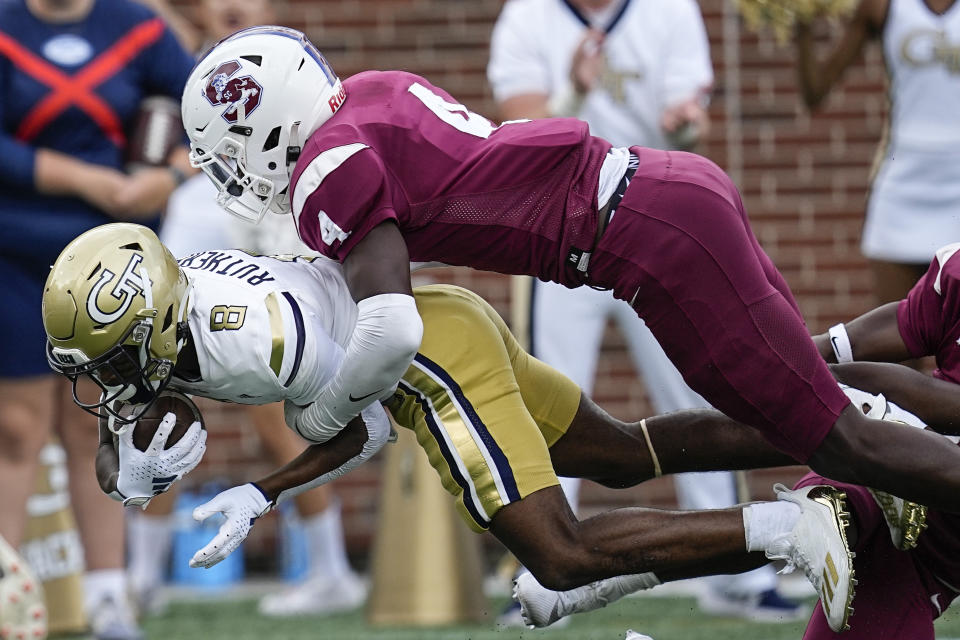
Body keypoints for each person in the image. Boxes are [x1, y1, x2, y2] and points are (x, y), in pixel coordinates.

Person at [181, 27, 960, 521]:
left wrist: (318, 417)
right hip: (663, 193)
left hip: (648, 237)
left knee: (837, 440)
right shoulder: (366, 97)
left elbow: (391, 324)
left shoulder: (328, 166)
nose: (231, 169)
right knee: (818, 393)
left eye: (228, 147)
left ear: (265, 123)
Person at [41, 223, 861, 631]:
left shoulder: (253, 347)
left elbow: (364, 432)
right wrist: (128, 458)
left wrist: (266, 490)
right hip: (451, 319)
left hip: (428, 368)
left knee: (561, 555)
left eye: (110, 359)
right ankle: (835, 424)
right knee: (623, 454)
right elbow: (126, 423)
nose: (105, 378)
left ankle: (791, 530)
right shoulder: (174, 295)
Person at [487, 0, 800, 620]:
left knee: (697, 387)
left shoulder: (669, 11)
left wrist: (685, 124)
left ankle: (733, 569)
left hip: (653, 228)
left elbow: (683, 129)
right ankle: (540, 570)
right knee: (545, 398)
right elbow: (519, 141)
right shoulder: (525, 16)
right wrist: (575, 91)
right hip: (557, 237)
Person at [517, 241, 960, 637]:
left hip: (930, 516)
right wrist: (789, 370)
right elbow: (865, 340)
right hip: (901, 505)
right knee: (808, 416)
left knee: (826, 432)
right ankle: (602, 534)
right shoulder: (954, 271)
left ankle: (875, 435)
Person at [123, 0, 365, 618]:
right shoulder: (174, 44)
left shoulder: (280, 55)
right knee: (148, 371)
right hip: (200, 206)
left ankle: (329, 564)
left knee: (274, 393)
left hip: (261, 206)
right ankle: (141, 575)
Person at [0, 0, 194, 637]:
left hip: (110, 266)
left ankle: (109, 595)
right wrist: (86, 179)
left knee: (102, 423)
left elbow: (211, 109)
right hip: (14, 249)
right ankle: (7, 595)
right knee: (15, 428)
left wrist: (168, 176)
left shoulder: (136, 25)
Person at [793, 0, 960, 304]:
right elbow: (815, 91)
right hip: (904, 185)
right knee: (898, 340)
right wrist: (801, 20)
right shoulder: (882, 6)